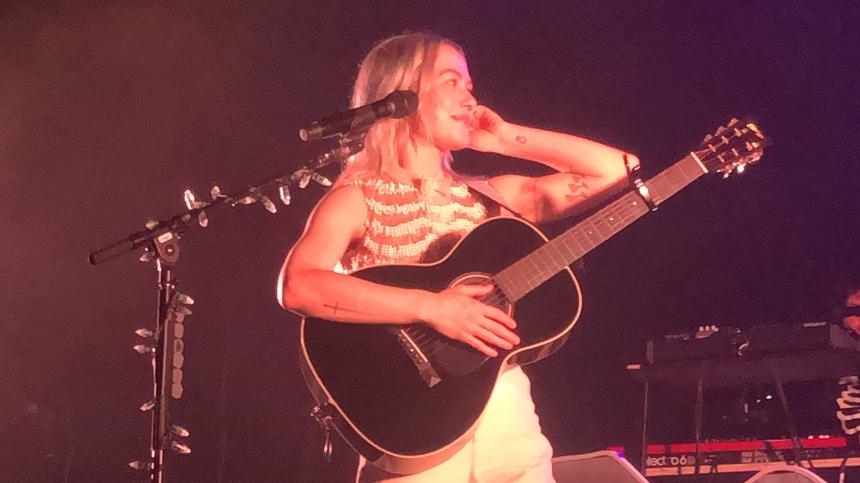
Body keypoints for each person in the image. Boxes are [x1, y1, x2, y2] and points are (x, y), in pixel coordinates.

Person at [277, 32, 639, 483]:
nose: (470, 98)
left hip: (507, 427)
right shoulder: (357, 199)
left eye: (470, 85)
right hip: (412, 431)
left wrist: (507, 140)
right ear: (402, 93)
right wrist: (432, 307)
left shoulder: (489, 199)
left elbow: (618, 170)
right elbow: (300, 284)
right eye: (452, 82)